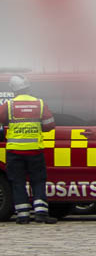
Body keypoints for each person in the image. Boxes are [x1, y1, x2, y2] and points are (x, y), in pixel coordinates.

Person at [3, 75, 56, 224]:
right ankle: (41, 214)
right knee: (38, 181)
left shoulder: (8, 105)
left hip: (14, 151)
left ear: (13, 90)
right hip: (35, 151)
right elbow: (49, 124)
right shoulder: (39, 103)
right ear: (28, 87)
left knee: (18, 182)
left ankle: (23, 216)